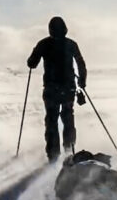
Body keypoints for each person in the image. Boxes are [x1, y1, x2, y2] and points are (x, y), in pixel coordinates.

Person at [27, 16, 87, 162]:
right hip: (68, 89)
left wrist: (32, 60)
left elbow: (32, 63)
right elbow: (81, 65)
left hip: (51, 90)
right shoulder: (71, 44)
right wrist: (82, 83)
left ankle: (53, 156)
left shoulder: (43, 44)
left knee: (51, 121)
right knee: (68, 118)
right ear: (65, 29)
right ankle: (69, 152)